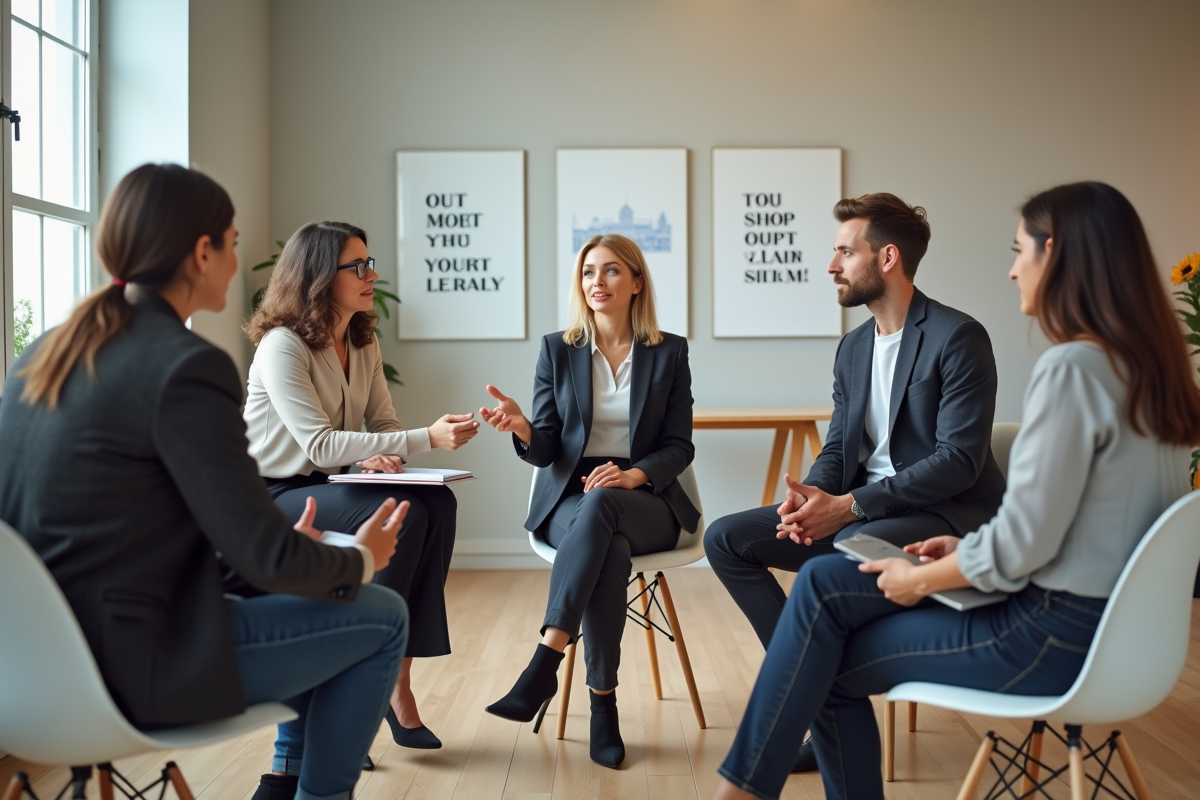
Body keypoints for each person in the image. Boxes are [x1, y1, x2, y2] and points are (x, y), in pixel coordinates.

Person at [712, 181, 1200, 800]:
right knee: (812, 608)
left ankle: (739, 790)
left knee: (821, 613)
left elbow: (1018, 541)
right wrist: (948, 554)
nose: (1011, 269)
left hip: (1051, 632)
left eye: (1021, 249)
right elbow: (1062, 529)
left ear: (1059, 256)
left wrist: (922, 578)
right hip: (1117, 635)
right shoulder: (1153, 375)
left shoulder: (1067, 368)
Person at [0, 164, 411, 800]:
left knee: (314, 589)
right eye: (234, 241)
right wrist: (357, 559)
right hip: (131, 666)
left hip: (27, 671)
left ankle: (282, 782)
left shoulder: (47, 351)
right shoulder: (187, 367)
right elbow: (264, 555)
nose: (237, 260)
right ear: (202, 253)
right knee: (380, 615)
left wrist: (297, 553)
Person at [704, 192, 1006, 771]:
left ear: (887, 258)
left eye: (845, 251)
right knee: (725, 538)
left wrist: (847, 508)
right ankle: (818, 692)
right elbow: (841, 446)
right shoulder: (852, 348)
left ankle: (815, 710)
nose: (831, 266)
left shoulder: (958, 337)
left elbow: (958, 461)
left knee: (835, 554)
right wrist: (810, 498)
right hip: (864, 508)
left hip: (946, 515)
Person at [242, 221, 478, 752]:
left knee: (436, 502)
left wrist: (392, 452)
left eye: (370, 264)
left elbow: (384, 426)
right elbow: (320, 446)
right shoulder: (283, 347)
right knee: (408, 514)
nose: (372, 274)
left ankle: (393, 678)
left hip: (332, 484)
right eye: (359, 266)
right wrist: (429, 439)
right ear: (321, 274)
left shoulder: (360, 338)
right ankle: (366, 681)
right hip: (277, 497)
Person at [478, 233, 699, 768]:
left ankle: (543, 664)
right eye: (587, 272)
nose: (596, 282)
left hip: (647, 496)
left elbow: (680, 445)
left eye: (611, 271)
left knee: (607, 509)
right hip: (571, 498)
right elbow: (548, 446)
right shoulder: (558, 348)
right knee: (610, 546)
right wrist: (524, 428)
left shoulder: (669, 351)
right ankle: (604, 706)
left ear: (636, 282)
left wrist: (634, 475)